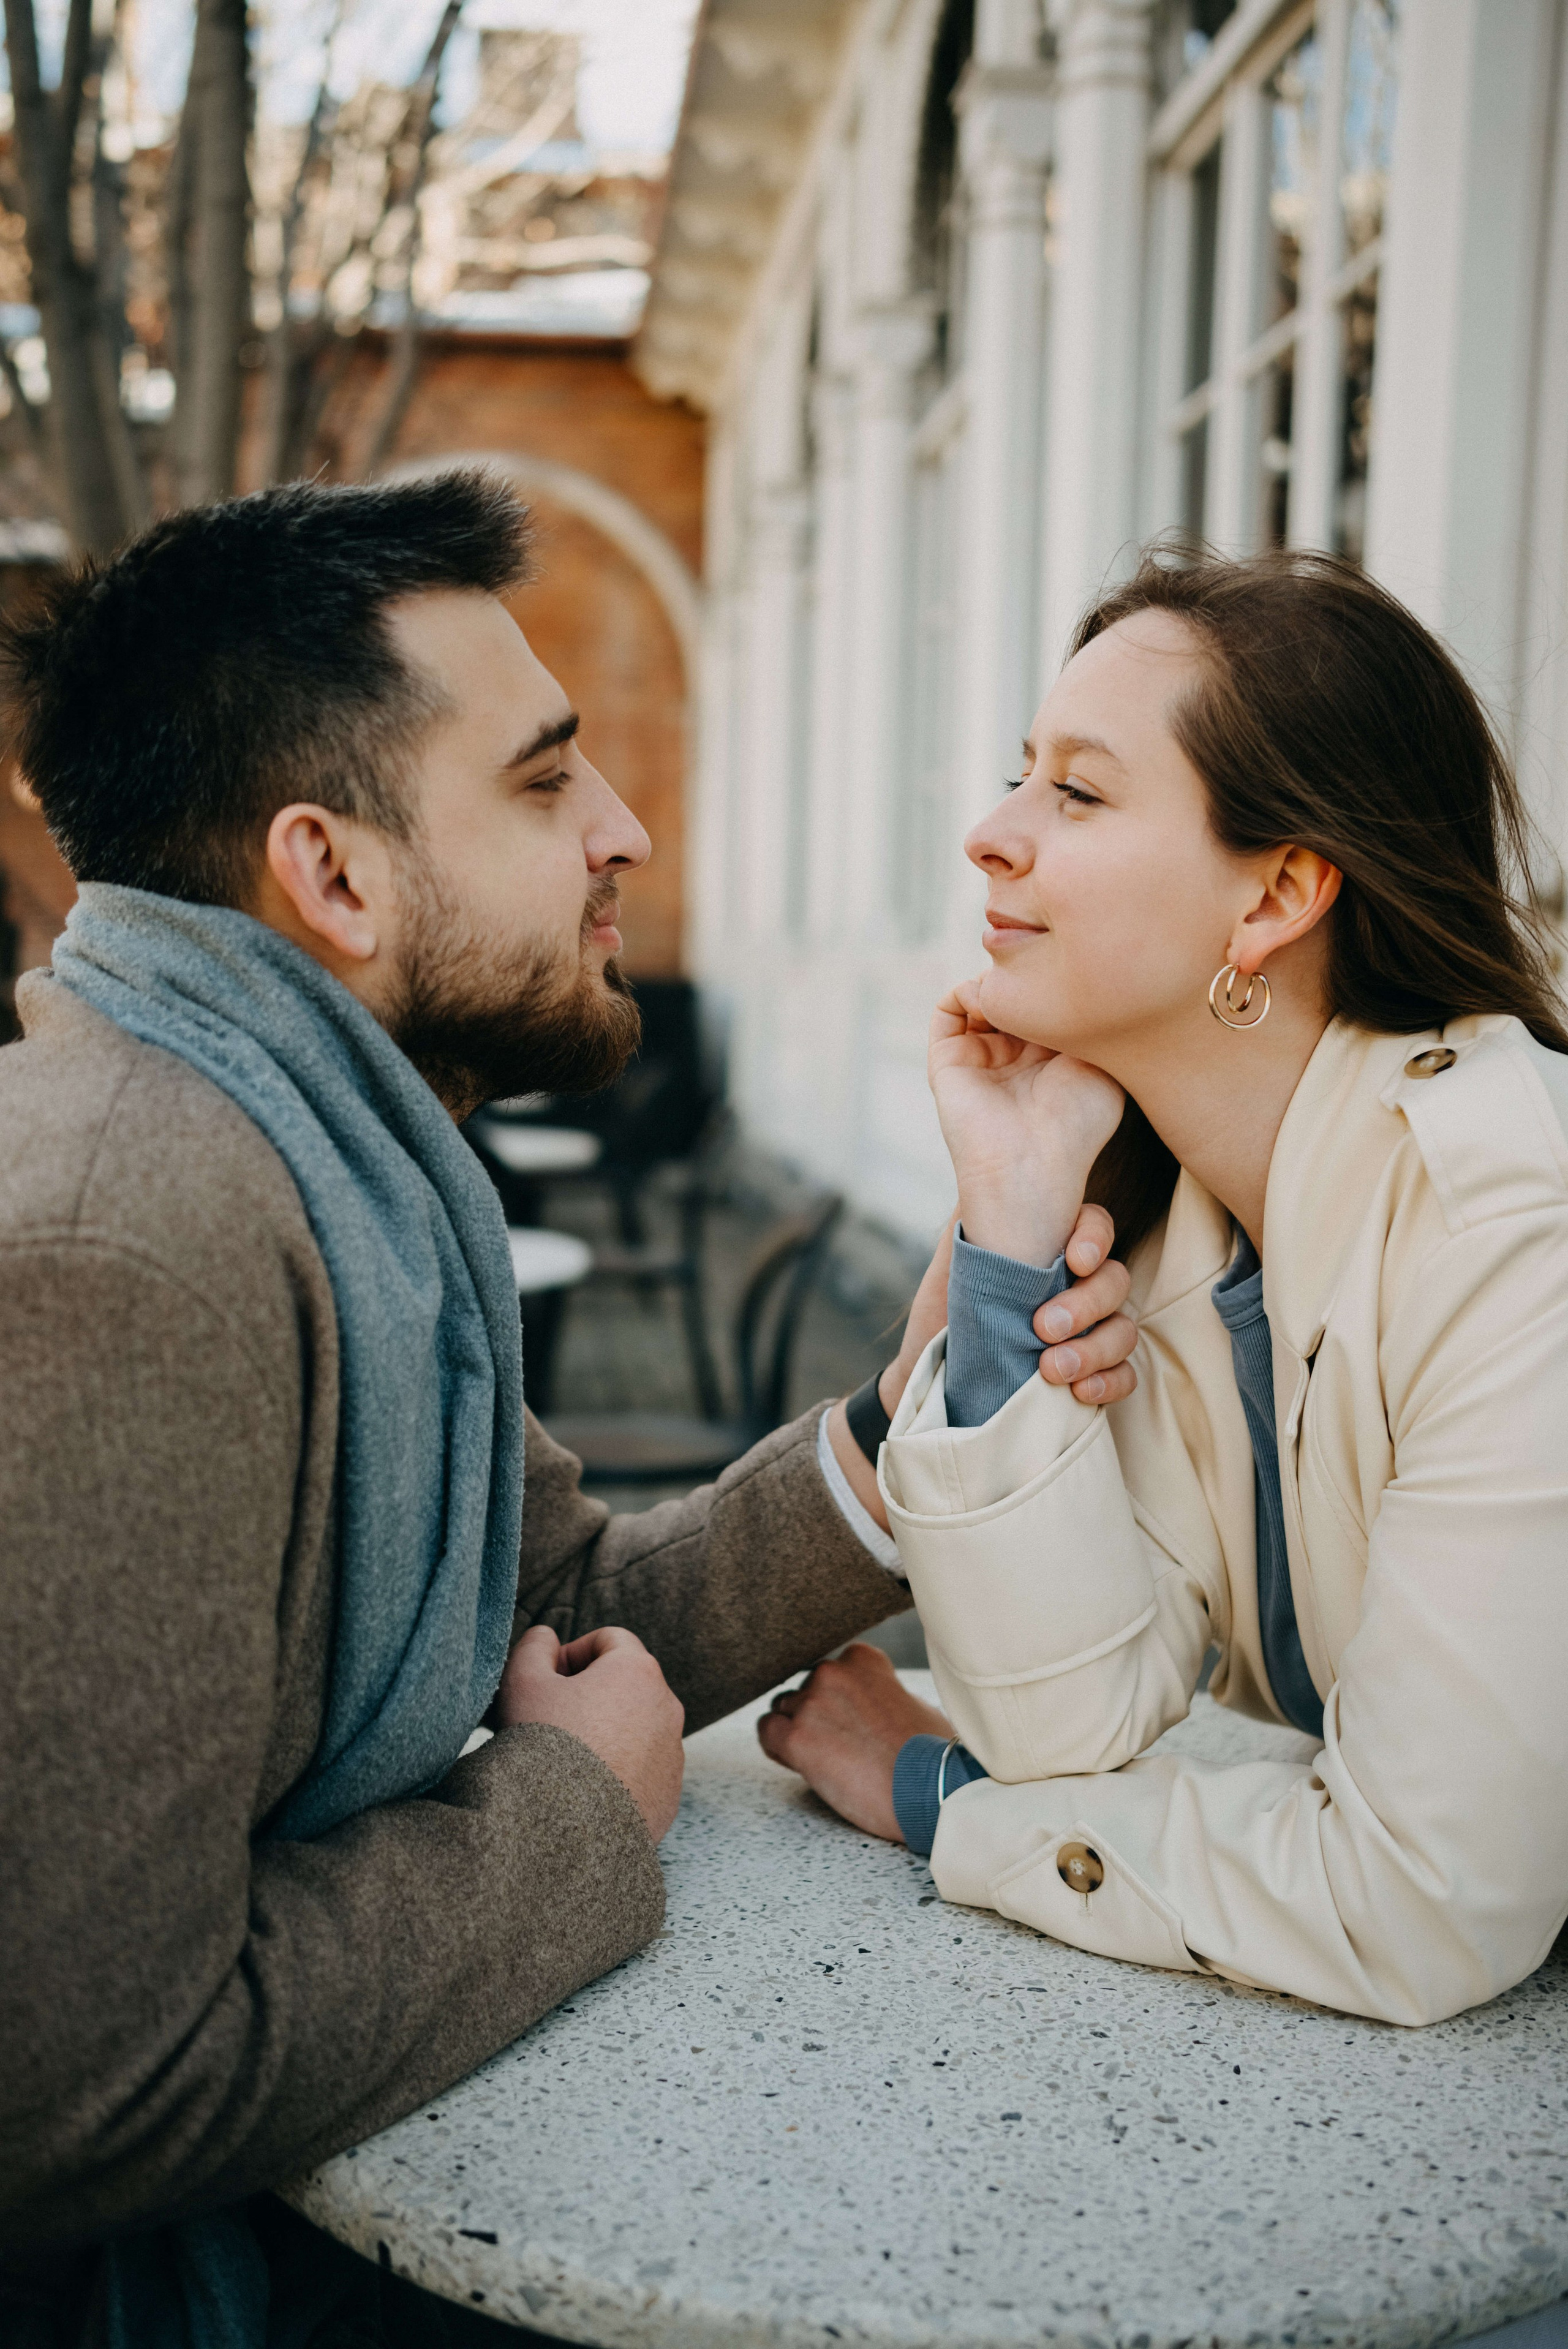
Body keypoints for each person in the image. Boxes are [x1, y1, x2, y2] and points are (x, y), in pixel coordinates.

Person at [0, 471, 1139, 2344]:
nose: (621, 828)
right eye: (544, 780)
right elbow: (79, 2081)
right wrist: (568, 1821)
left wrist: (901, 1413)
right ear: (335, 873)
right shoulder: (129, 1244)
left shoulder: (333, 1168)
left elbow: (574, 1604)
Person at [761, 545, 1568, 2030]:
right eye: (1022, 776)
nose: (990, 837)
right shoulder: (1168, 1211)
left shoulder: (1511, 1225)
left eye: (1074, 791)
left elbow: (1420, 1903)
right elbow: (1067, 1725)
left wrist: (932, 1796)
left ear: (1273, 896)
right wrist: (1006, 1222)